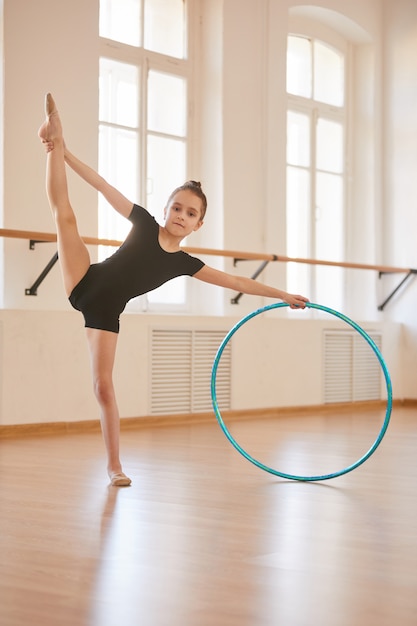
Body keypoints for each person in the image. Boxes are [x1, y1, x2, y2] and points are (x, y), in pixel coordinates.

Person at [38, 93, 309, 487]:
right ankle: (52, 142)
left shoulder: (185, 264)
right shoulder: (145, 223)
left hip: (105, 312)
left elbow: (236, 281)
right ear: (165, 210)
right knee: (65, 216)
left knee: (103, 386)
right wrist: (65, 153)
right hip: (85, 280)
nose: (182, 216)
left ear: (199, 224)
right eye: (177, 208)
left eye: (191, 213)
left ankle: (114, 467)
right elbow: (101, 185)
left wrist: (283, 295)